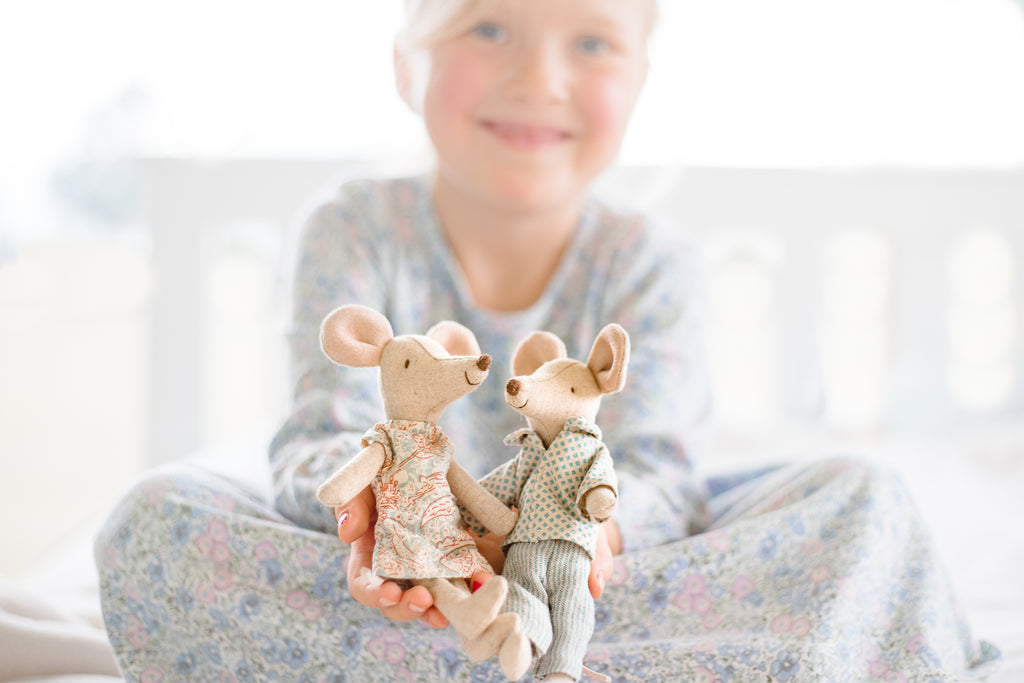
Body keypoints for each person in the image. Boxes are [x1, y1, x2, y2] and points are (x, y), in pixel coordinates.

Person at [94, 1, 999, 681]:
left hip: (594, 571)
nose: (538, 77)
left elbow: (657, 472)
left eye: (593, 42)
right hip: (413, 568)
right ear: (407, 63)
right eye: (489, 27)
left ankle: (518, 649)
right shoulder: (354, 227)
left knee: (864, 500)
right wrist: (375, 525)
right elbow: (319, 436)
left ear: (640, 78)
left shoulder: (649, 261)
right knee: (156, 515)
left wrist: (575, 536)